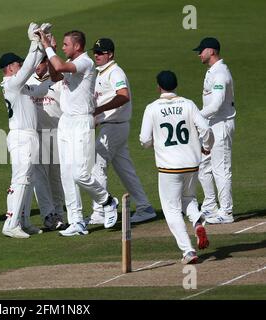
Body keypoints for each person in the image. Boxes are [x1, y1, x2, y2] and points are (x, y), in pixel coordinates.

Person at [38, 29, 118, 236]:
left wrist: (47, 44)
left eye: (66, 45)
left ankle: (107, 200)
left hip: (82, 121)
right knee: (66, 174)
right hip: (66, 121)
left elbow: (61, 66)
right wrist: (51, 50)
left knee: (80, 173)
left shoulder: (85, 62)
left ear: (77, 46)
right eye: (62, 45)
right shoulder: (68, 61)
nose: (63, 48)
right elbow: (55, 74)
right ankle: (76, 222)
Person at [139, 71, 214, 264]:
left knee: (171, 209)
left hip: (169, 168)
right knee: (188, 198)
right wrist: (206, 147)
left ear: (159, 87)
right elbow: (205, 129)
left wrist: (155, 142)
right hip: (191, 163)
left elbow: (145, 140)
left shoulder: (152, 108)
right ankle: (197, 221)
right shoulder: (188, 104)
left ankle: (188, 251)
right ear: (176, 85)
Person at [88, 38, 156, 225]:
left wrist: (99, 112)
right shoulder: (101, 72)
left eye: (101, 52)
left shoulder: (115, 72)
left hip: (114, 126)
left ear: (110, 54)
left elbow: (123, 96)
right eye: (95, 52)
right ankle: (145, 207)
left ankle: (100, 211)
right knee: (125, 170)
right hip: (113, 126)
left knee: (97, 165)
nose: (97, 55)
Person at [0, 22, 48, 238]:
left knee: (27, 179)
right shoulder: (11, 84)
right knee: (21, 179)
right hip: (20, 136)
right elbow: (29, 66)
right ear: (10, 68)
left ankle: (24, 221)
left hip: (29, 136)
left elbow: (42, 85)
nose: (21, 67)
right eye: (17, 64)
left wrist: (44, 45)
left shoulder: (23, 86)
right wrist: (33, 44)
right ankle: (11, 225)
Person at [193, 37, 236, 224]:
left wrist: (195, 116)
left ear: (211, 51)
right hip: (210, 126)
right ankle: (210, 206)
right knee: (203, 165)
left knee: (221, 168)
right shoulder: (212, 71)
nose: (199, 54)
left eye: (201, 51)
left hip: (221, 125)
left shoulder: (220, 74)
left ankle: (226, 212)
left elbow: (217, 104)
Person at [25, 54, 66, 231]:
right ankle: (48, 215)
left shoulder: (57, 79)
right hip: (37, 134)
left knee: (56, 177)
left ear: (46, 62)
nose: (36, 67)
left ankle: (59, 213)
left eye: (40, 63)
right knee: (40, 177)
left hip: (57, 132)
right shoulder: (27, 80)